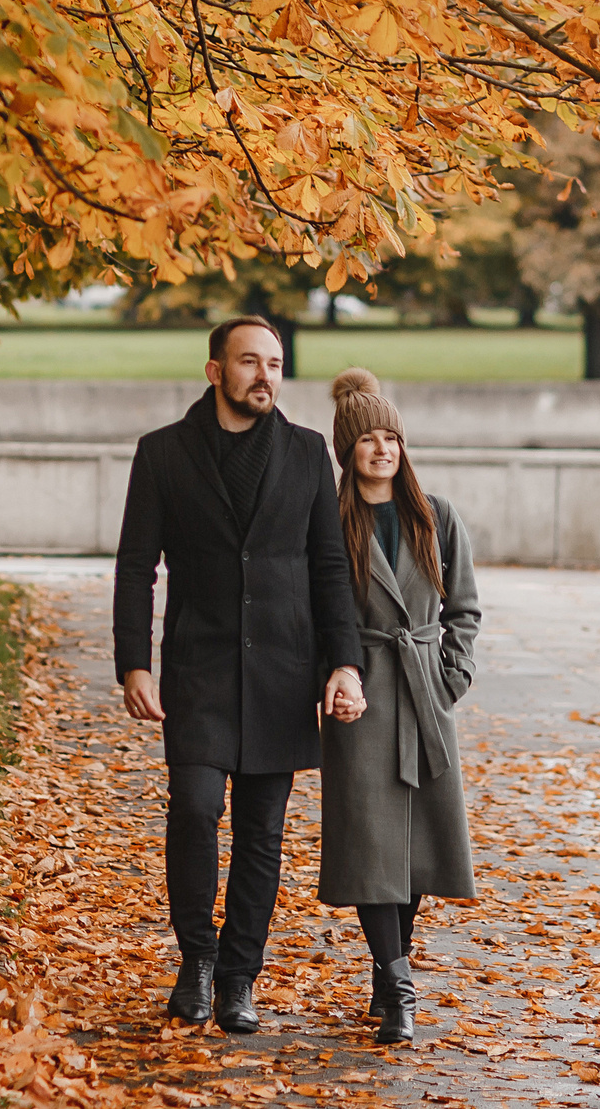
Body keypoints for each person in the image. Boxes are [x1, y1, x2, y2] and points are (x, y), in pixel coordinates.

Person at [113, 317, 366, 1034]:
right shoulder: (163, 452)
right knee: (195, 809)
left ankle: (238, 977)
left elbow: (329, 568)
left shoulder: (308, 451)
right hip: (198, 669)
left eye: (275, 364)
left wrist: (344, 662)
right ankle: (196, 959)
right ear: (214, 370)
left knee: (262, 832)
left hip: (284, 669)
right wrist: (134, 662)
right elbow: (136, 566)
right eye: (250, 361)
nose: (265, 375)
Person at [316, 367, 482, 1045]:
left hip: (424, 694)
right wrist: (333, 677)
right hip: (359, 698)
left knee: (413, 849)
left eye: (391, 437)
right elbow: (315, 614)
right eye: (368, 439)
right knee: (371, 845)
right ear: (347, 449)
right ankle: (399, 982)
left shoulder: (435, 515)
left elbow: (463, 607)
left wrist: (452, 676)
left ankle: (390, 977)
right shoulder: (329, 522)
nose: (382, 449)